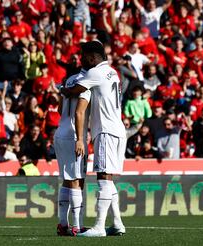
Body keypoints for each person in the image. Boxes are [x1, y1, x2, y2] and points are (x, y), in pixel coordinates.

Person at [61, 41, 126, 237]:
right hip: (117, 128)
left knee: (103, 178)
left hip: (105, 130)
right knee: (109, 179)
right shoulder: (112, 72)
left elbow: (74, 91)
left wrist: (63, 89)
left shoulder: (94, 73)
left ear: (91, 57)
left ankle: (98, 227)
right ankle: (116, 223)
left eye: (83, 56)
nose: (82, 59)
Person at [54, 68, 91, 236]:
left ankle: (63, 224)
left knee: (67, 180)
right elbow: (79, 112)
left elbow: (60, 108)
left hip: (60, 132)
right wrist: (80, 138)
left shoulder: (69, 80)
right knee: (76, 180)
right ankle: (77, 226)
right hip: (73, 136)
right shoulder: (87, 82)